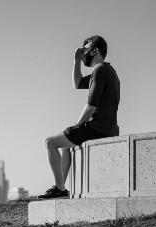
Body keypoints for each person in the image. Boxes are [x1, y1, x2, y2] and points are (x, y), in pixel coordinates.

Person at [38, 35, 120, 199]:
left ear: (95, 50)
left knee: (50, 142)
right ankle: (60, 187)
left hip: (97, 128)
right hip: (108, 128)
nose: (83, 55)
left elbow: (91, 106)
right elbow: (77, 84)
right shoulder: (106, 70)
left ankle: (60, 189)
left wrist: (76, 126)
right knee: (66, 144)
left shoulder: (100, 69)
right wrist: (76, 60)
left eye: (85, 50)